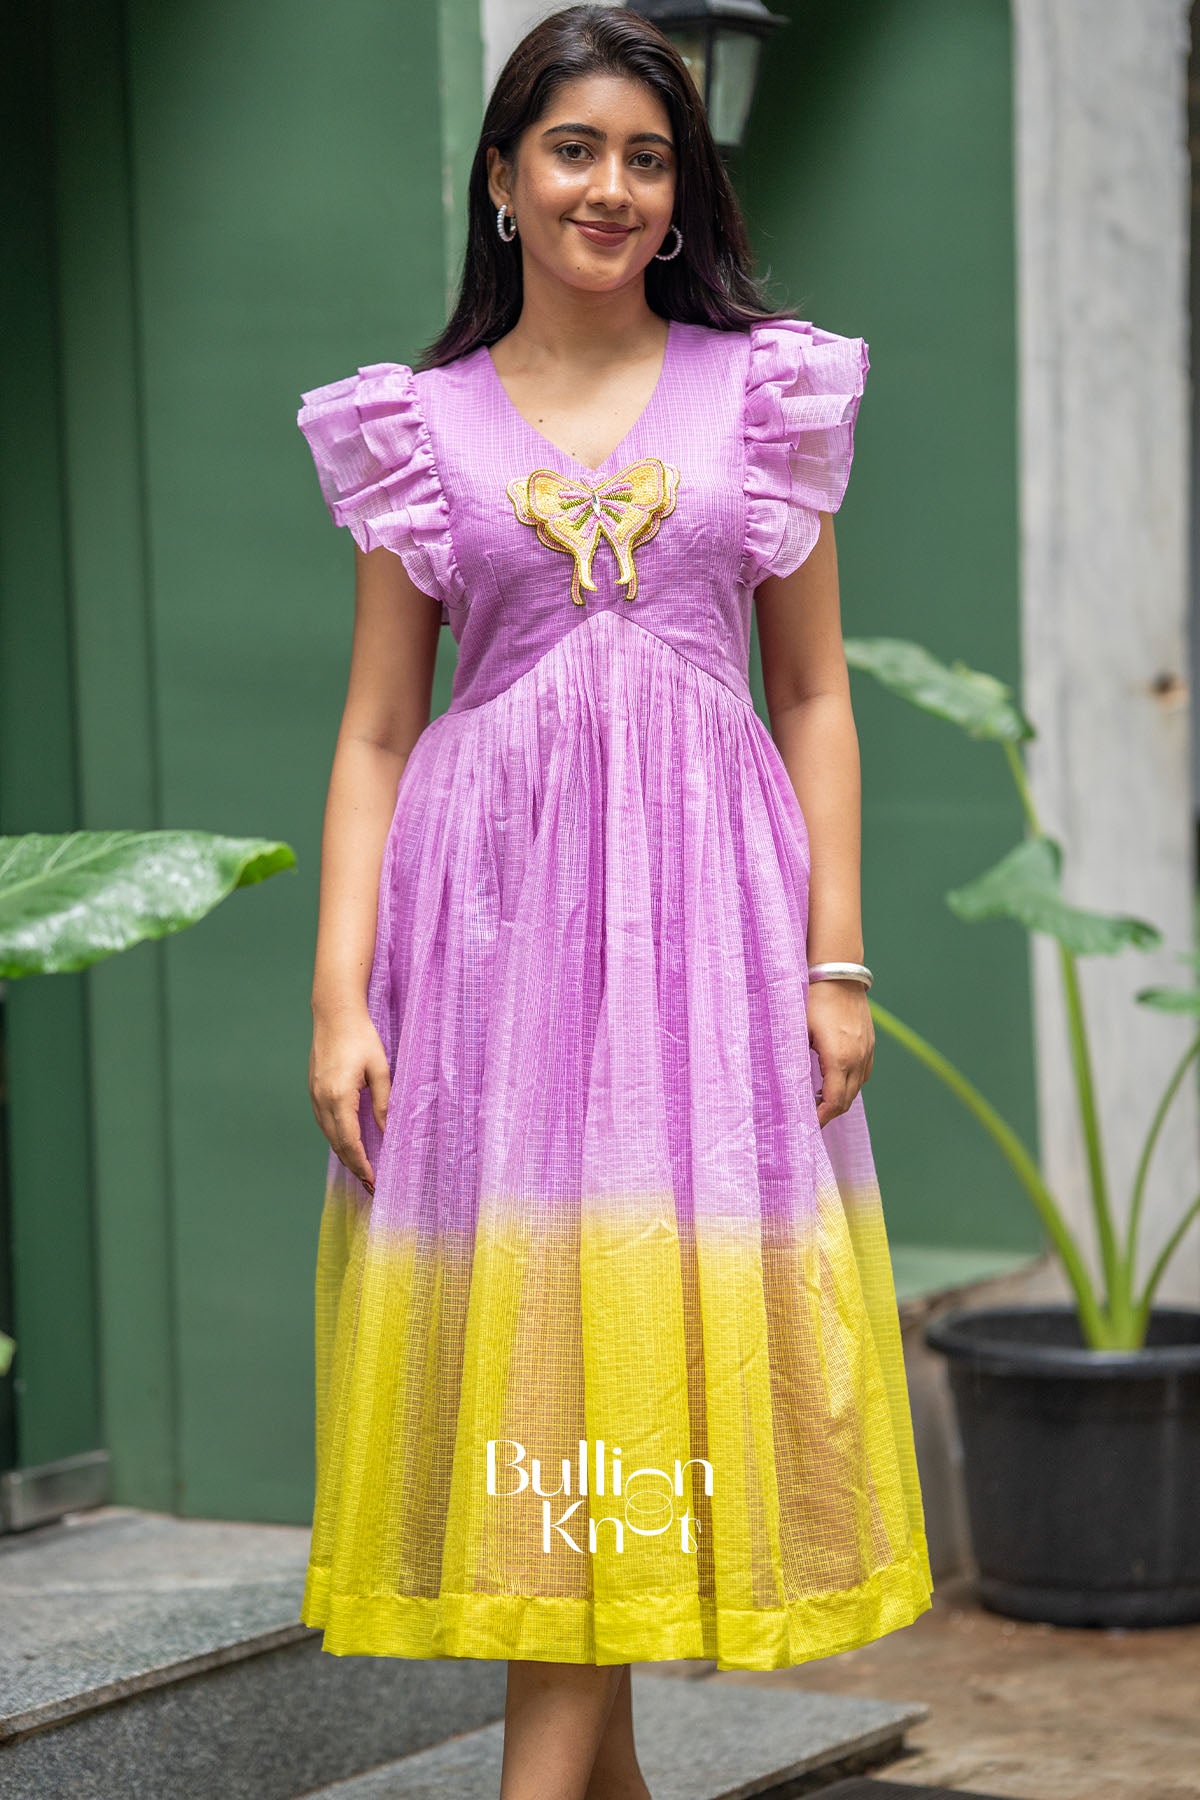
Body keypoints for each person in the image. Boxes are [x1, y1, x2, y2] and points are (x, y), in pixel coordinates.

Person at [296, 6, 934, 1797]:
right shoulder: (416, 428)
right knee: (549, 1382)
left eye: (649, 156)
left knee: (632, 1367)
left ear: (684, 190)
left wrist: (836, 958)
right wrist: (343, 996)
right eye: (574, 148)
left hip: (706, 944)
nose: (613, 186)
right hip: (489, 951)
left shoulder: (766, 393)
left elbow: (810, 693)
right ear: (502, 178)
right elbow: (374, 733)